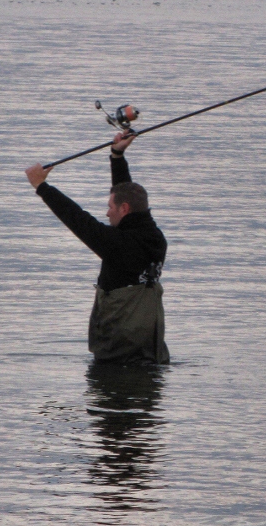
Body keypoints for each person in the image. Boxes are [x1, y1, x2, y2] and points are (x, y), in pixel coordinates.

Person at [25, 132, 169, 364]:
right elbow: (125, 195)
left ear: (123, 209)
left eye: (109, 207)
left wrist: (42, 186)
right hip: (151, 350)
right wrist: (117, 156)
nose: (106, 212)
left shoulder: (119, 245)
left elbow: (79, 220)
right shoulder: (155, 238)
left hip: (119, 355)